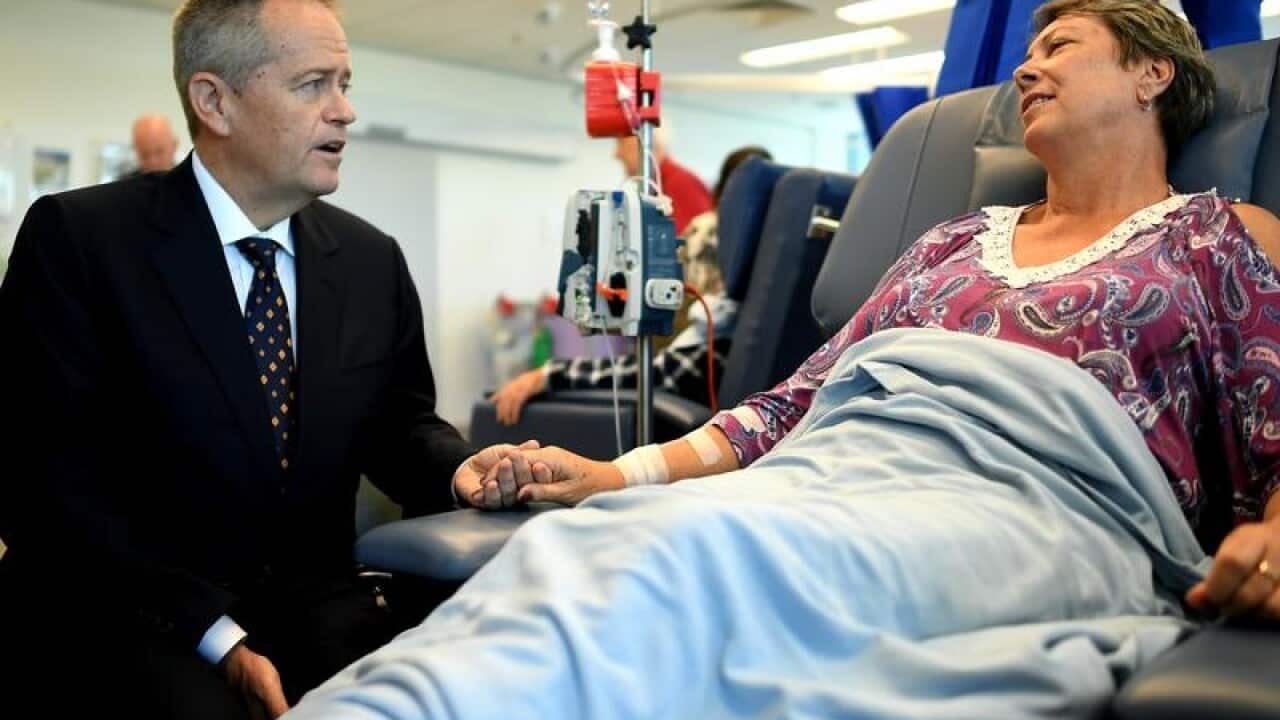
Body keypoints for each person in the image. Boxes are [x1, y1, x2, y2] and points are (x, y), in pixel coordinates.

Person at [287, 2, 1279, 716]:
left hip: (1030, 498)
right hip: (840, 466)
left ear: (1152, 71)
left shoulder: (1216, 236)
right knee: (591, 545)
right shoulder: (948, 242)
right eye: (1022, 51)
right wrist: (608, 477)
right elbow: (795, 403)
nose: (1023, 68)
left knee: (703, 559)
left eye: (1058, 44)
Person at [0, 1, 492, 717]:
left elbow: (398, 423)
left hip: (316, 615)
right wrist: (215, 635)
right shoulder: (82, 243)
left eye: (346, 82)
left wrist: (459, 468)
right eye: (313, 84)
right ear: (214, 102)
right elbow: (39, 488)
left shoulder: (367, 262)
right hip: (132, 617)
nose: (345, 111)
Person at [489, 145, 772, 426]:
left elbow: (666, 370)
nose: (615, 153)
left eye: (620, 143)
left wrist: (549, 375)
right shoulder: (768, 299)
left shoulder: (708, 238)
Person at [614, 130, 713, 235]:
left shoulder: (678, 183)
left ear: (647, 148)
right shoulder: (658, 186)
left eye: (621, 144)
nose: (616, 154)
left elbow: (689, 244)